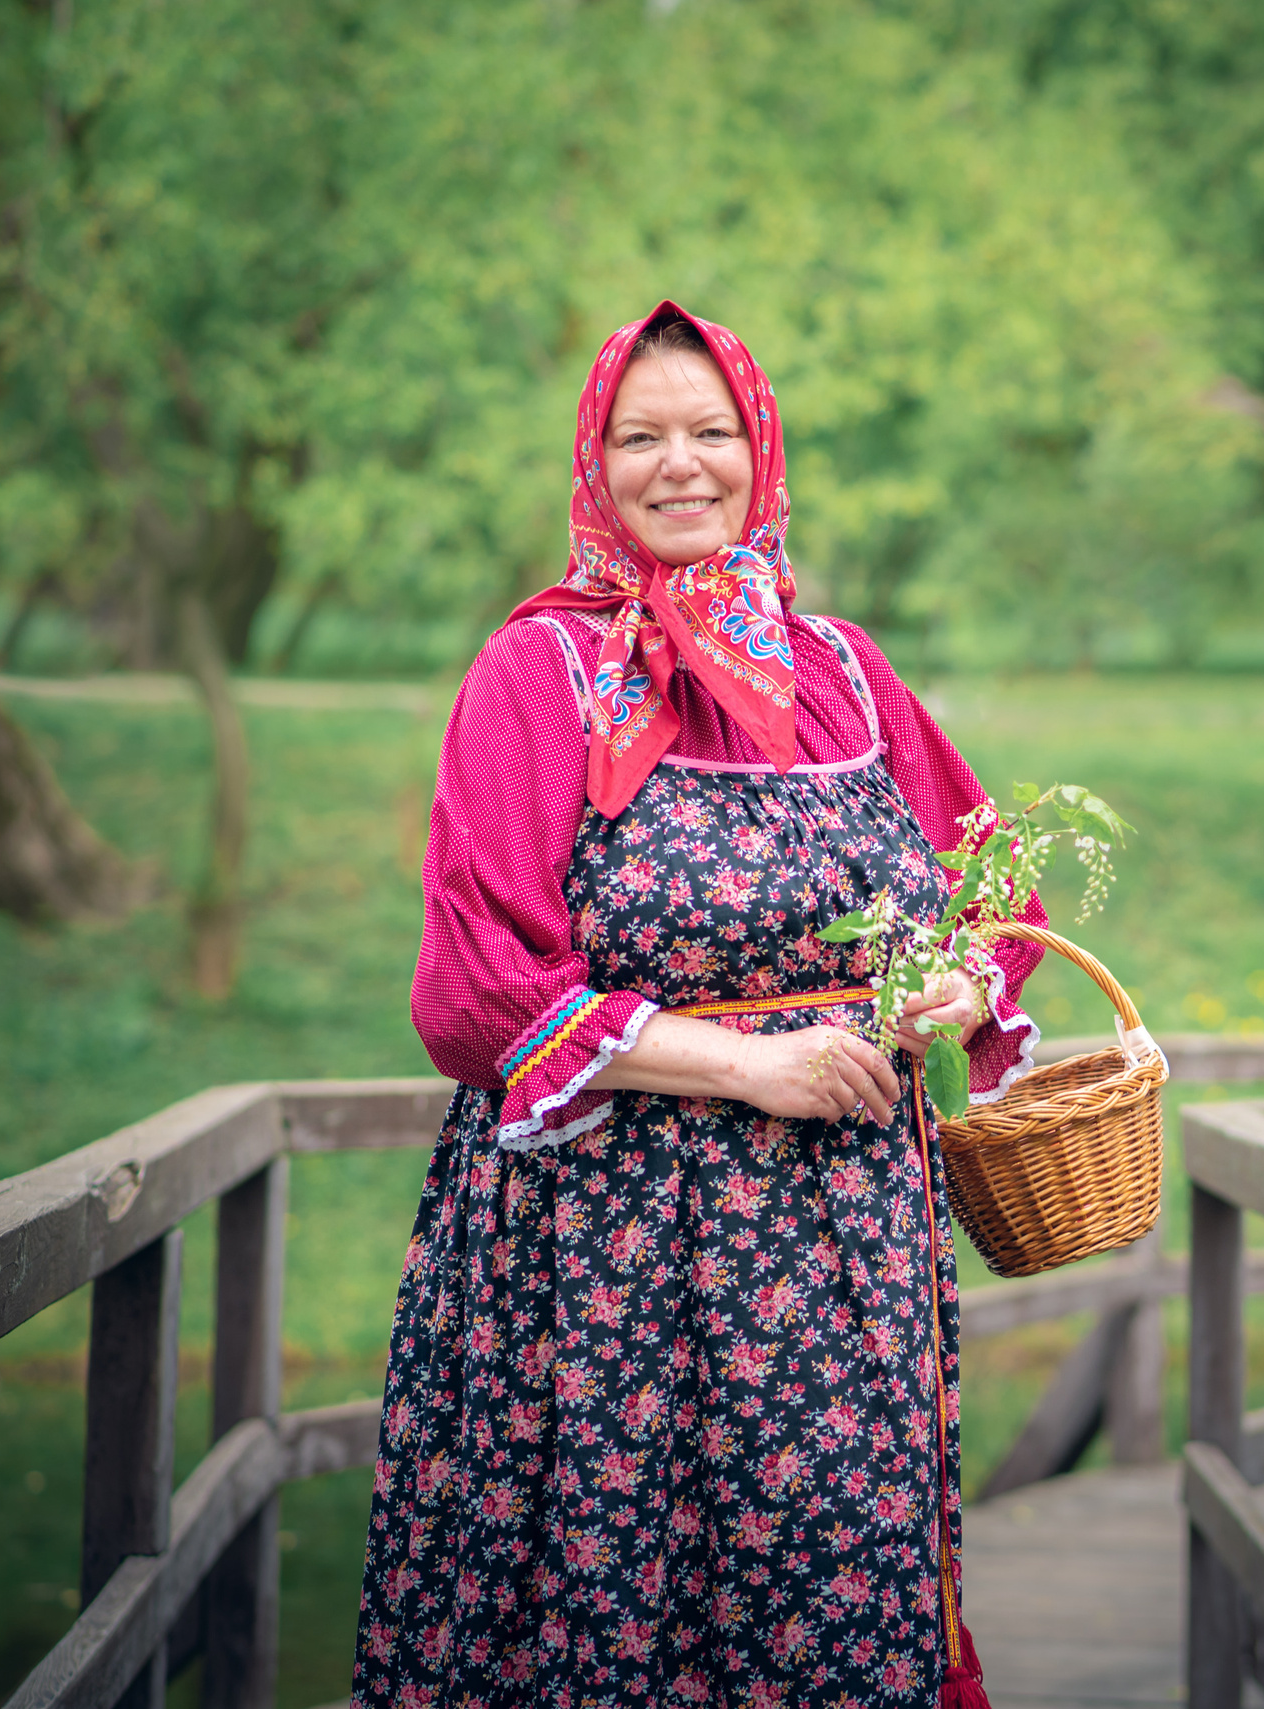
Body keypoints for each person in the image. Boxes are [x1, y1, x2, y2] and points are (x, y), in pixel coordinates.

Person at [353, 300, 1046, 1708]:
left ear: (762, 451)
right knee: (607, 1603)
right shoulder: (532, 675)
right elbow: (476, 981)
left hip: (840, 1238)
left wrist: (936, 994)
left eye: (713, 431)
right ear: (593, 464)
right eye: (642, 435)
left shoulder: (845, 674)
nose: (682, 464)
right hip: (601, 1239)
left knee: (833, 1586)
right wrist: (749, 1069)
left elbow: (986, 888)